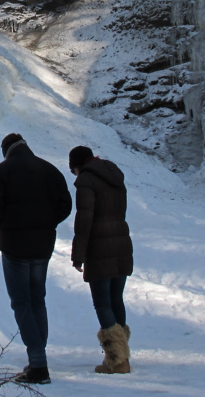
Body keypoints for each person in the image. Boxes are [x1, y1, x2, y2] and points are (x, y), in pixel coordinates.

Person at [0, 133, 72, 385]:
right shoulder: (50, 170)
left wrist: (5, 222)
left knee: (21, 302)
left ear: (6, 151)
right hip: (43, 246)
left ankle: (39, 366)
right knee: (37, 300)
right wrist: (46, 222)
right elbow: (65, 205)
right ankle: (37, 359)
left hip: (14, 246)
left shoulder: (1, 172)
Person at [69, 144, 133, 374]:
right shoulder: (114, 174)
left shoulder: (86, 181)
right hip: (122, 242)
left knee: (102, 303)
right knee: (116, 299)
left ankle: (117, 360)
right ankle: (122, 353)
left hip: (99, 247)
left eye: (73, 170)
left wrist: (78, 256)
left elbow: (84, 221)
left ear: (77, 166)